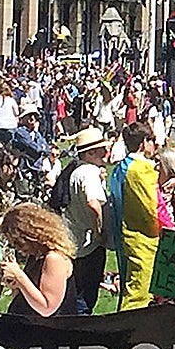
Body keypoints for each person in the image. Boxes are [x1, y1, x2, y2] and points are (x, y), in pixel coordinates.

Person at [111, 122, 162, 310]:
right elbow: (152, 208)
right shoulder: (141, 169)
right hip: (143, 237)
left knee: (130, 284)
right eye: (152, 141)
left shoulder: (120, 167)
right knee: (139, 291)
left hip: (123, 234)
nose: (155, 145)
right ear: (143, 143)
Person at [61, 127, 112, 315]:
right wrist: (98, 232)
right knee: (85, 295)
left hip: (75, 239)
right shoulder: (90, 173)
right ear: (90, 152)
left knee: (76, 291)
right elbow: (93, 204)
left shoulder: (77, 171)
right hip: (89, 243)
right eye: (101, 150)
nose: (105, 153)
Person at [0, 203, 77, 318]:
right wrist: (16, 283)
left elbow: (47, 307)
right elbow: (31, 295)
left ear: (30, 236)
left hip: (49, 331)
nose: (18, 248)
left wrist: (19, 275)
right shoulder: (36, 256)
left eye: (18, 242)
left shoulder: (54, 259)